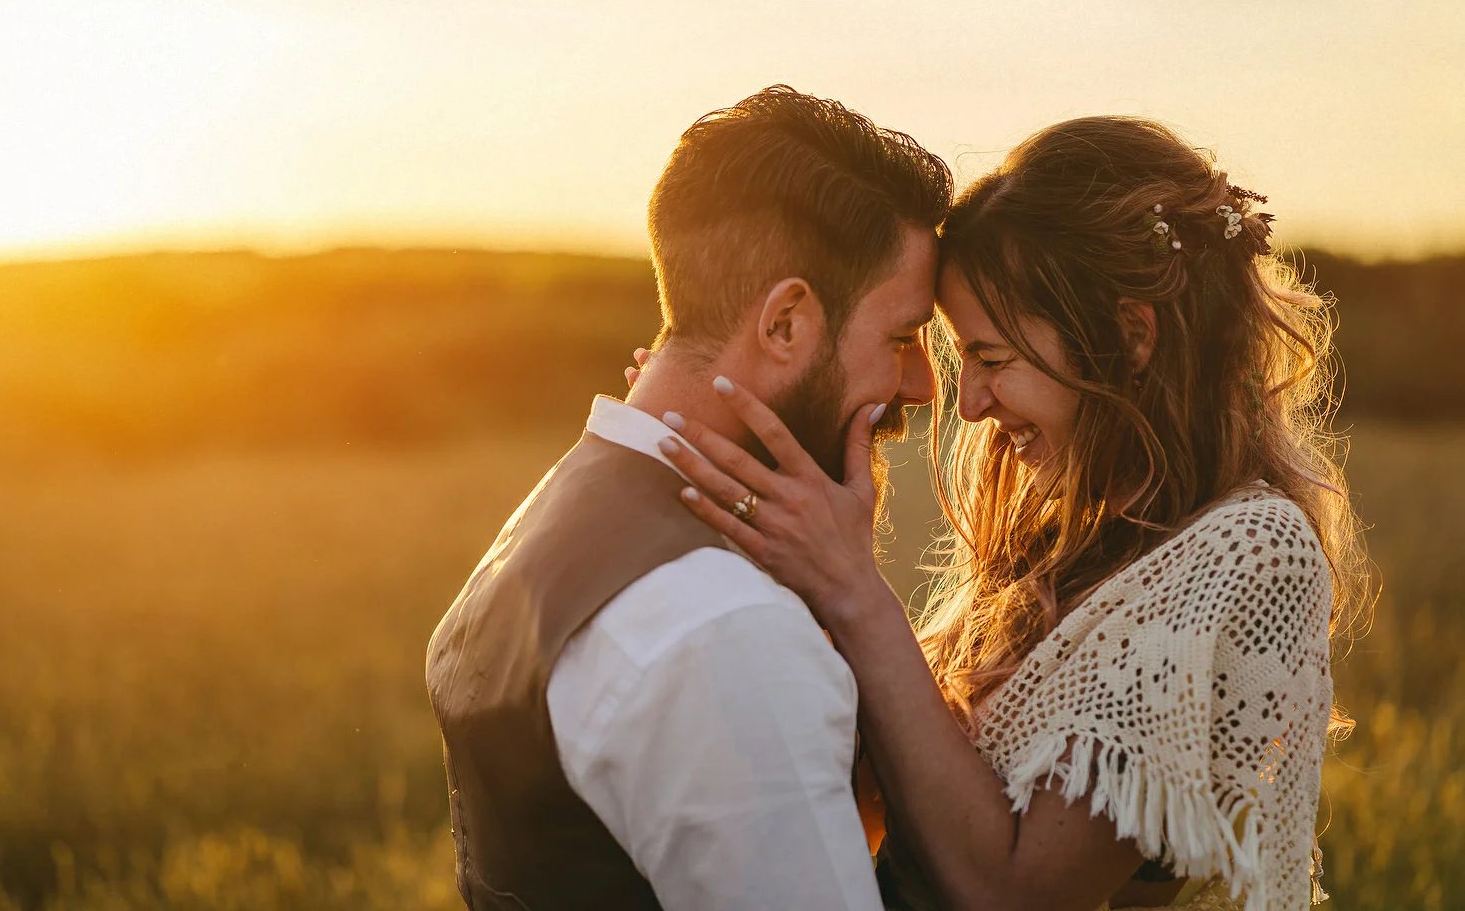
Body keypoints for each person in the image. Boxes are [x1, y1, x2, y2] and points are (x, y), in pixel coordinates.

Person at [657, 116, 1370, 911]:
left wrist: (857, 593)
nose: (968, 405)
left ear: (1129, 337)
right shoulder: (1063, 539)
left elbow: (1015, 892)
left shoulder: (1248, 551)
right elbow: (867, 812)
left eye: (993, 359)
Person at [424, 85, 953, 910]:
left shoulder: (558, 508)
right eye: (899, 338)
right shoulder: (725, 630)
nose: (921, 385)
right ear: (785, 325)